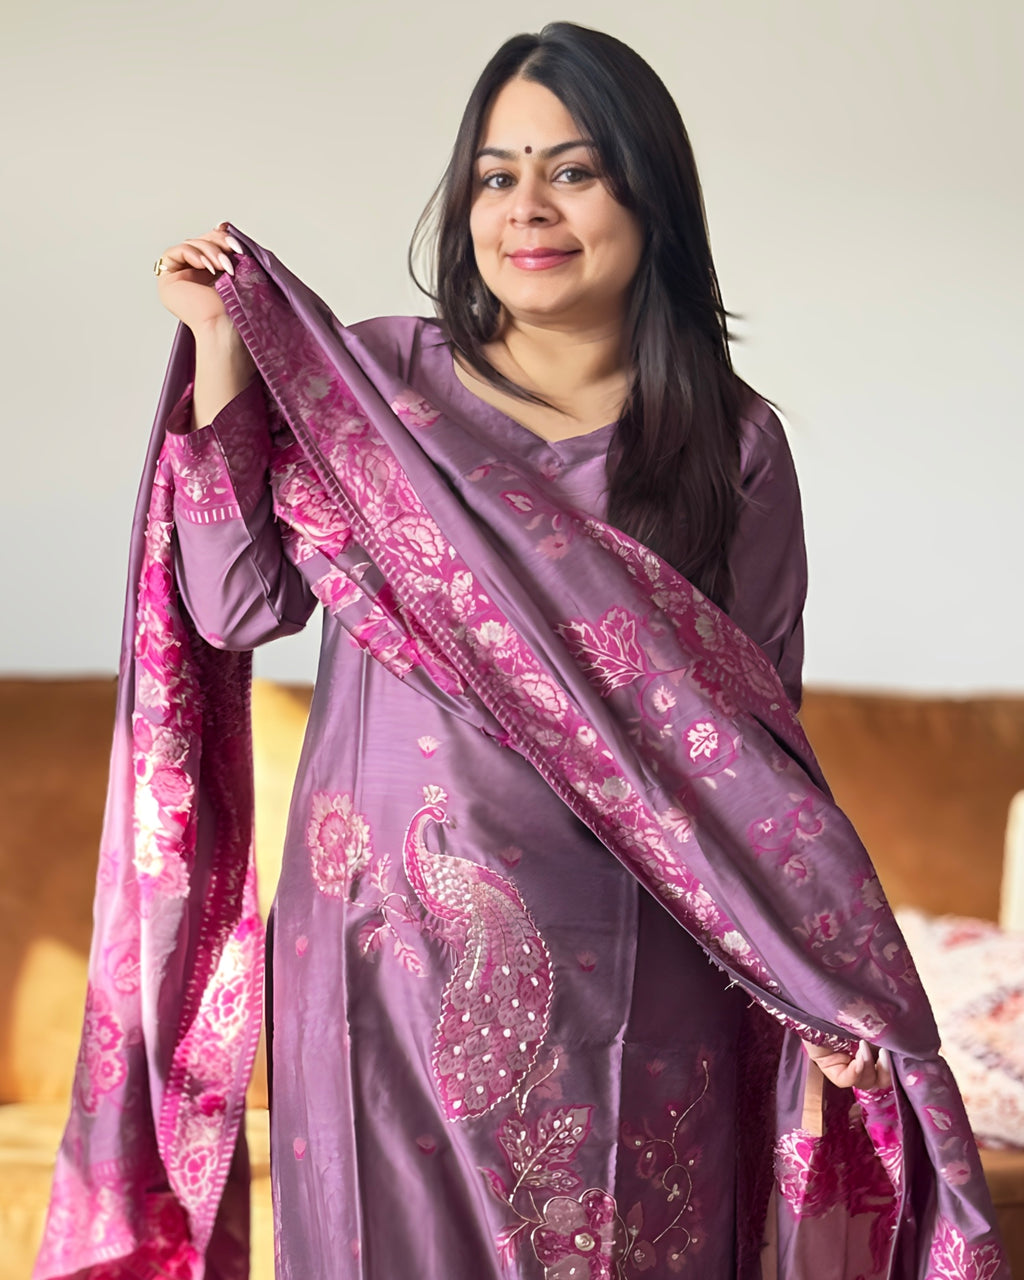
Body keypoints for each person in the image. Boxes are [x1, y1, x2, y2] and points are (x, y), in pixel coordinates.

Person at [36, 22, 1005, 1280]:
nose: (525, 208)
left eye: (574, 170)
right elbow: (233, 610)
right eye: (495, 174)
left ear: (651, 198)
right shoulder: (374, 388)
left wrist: (814, 972)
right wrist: (222, 349)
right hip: (375, 953)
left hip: (641, 972)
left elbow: (754, 762)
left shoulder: (725, 443)